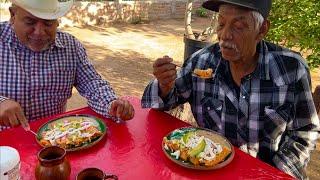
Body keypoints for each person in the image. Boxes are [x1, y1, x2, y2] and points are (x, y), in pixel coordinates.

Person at [141, 0, 319, 179]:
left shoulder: (290, 70)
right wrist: (164, 86)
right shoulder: (202, 62)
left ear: (262, 30)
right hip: (211, 170)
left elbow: (304, 131)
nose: (224, 35)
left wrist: (274, 174)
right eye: (221, 23)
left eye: (239, 26)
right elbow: (157, 103)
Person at [0, 0, 134, 131]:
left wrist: (112, 104)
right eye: (30, 22)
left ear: (57, 21)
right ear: (13, 15)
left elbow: (92, 83)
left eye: (48, 23)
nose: (39, 32)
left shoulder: (71, 47)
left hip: (54, 140)